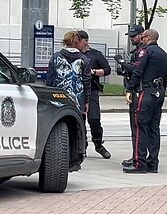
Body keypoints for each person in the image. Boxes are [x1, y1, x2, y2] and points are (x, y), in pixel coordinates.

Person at [122, 29, 167, 174]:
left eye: (143, 36)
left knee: (140, 126)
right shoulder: (164, 54)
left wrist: (130, 89)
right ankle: (153, 163)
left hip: (146, 92)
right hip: (159, 92)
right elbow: (165, 76)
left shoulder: (145, 52)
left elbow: (138, 71)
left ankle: (139, 163)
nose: (141, 38)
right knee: (154, 128)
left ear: (148, 37)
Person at [114, 24, 145, 167]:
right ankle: (136, 156)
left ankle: (138, 158)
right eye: (130, 36)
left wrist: (123, 63)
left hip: (138, 91)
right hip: (134, 90)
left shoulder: (142, 52)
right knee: (135, 126)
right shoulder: (136, 52)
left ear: (142, 35)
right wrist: (123, 69)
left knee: (137, 125)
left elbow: (136, 70)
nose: (132, 38)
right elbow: (131, 71)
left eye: (134, 36)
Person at [77, 30, 112, 159]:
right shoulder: (74, 55)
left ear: (85, 41)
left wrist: (93, 72)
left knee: (94, 119)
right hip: (77, 91)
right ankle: (81, 146)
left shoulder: (95, 55)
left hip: (91, 91)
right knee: (79, 121)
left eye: (78, 40)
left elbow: (107, 70)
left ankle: (98, 143)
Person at [46, 31, 91, 115]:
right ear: (77, 42)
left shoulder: (55, 57)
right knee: (78, 125)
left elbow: (49, 80)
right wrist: (86, 101)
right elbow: (86, 81)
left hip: (58, 99)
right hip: (78, 100)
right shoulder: (83, 59)